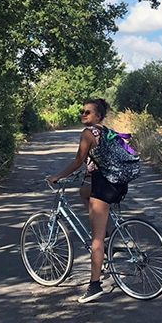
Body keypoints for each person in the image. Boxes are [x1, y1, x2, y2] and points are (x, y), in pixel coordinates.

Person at [46, 97, 128, 303]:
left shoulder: (88, 134)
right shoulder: (108, 132)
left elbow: (77, 161)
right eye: (82, 112)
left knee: (96, 240)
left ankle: (94, 286)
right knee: (83, 192)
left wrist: (58, 176)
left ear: (98, 116)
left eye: (87, 112)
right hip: (117, 183)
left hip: (103, 186)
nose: (83, 115)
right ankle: (107, 229)